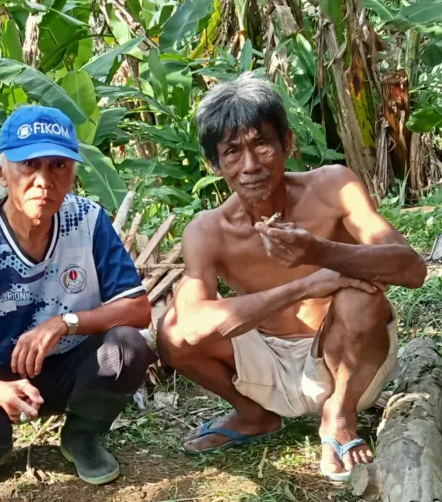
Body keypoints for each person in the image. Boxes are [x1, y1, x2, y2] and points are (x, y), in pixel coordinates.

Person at [157, 75, 427, 481]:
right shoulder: (208, 229)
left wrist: (320, 252)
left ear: (287, 142)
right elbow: (192, 326)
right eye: (232, 152)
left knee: (361, 294)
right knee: (172, 327)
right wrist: (305, 283)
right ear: (214, 164)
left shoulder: (333, 186)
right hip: (267, 358)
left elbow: (411, 269)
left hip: (345, 356)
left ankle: (340, 413)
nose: (250, 166)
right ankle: (254, 416)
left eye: (261, 144)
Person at [0, 105, 155, 500]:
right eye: (28, 165)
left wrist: (64, 323)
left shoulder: (87, 222)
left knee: (129, 347)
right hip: (3, 377)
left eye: (58, 166)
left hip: (76, 366)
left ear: (73, 173)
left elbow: (138, 309)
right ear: (3, 173)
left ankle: (82, 436)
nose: (43, 181)